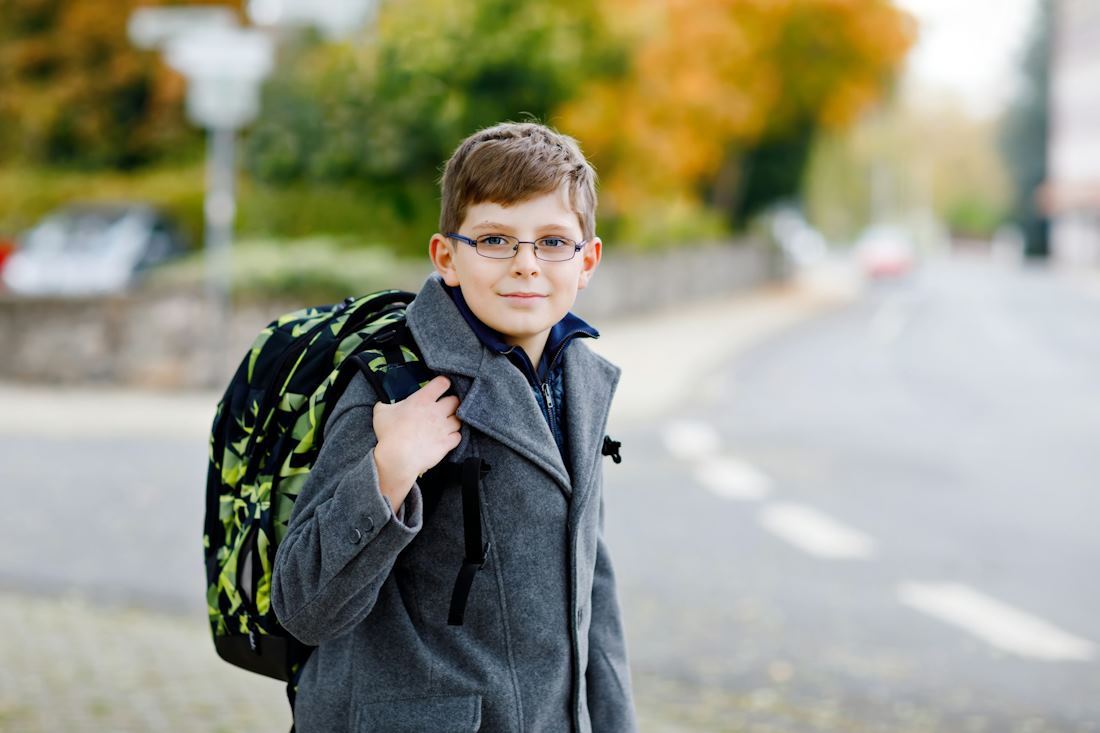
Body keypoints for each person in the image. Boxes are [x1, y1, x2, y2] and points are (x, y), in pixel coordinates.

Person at [271, 121, 637, 732]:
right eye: (495, 240)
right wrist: (388, 472)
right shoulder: (396, 386)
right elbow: (303, 606)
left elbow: (589, 588)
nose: (526, 265)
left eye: (552, 241)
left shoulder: (579, 380)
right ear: (447, 257)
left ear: (587, 260)